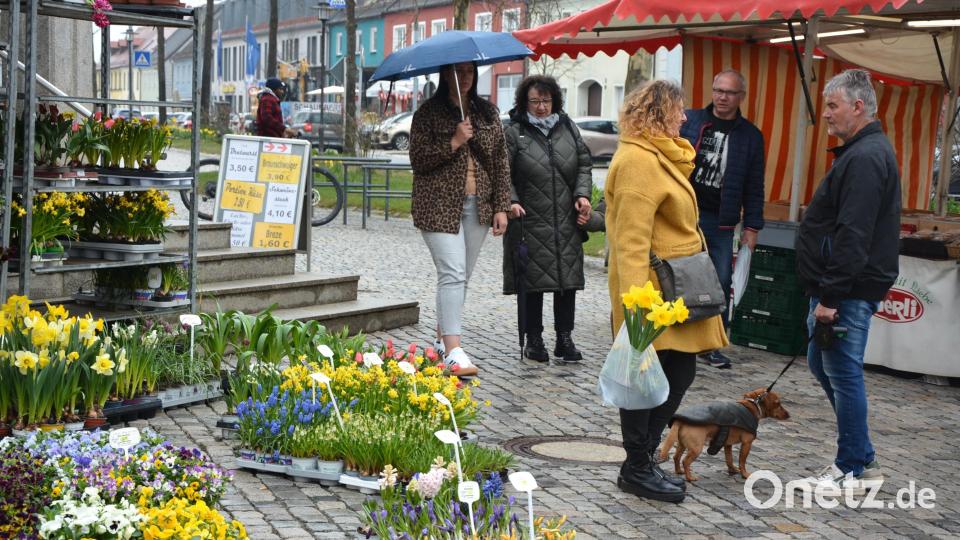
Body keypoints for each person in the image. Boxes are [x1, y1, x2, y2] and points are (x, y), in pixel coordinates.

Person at [606, 80, 728, 503]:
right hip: (654, 298)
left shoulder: (663, 157)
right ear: (658, 113)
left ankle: (639, 461)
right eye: (678, 111)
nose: (684, 118)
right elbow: (630, 244)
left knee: (678, 374)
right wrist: (637, 311)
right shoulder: (639, 161)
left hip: (678, 293)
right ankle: (637, 465)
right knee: (645, 381)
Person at [796, 69, 899, 494]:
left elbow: (853, 233)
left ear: (858, 107)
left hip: (847, 290)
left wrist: (831, 297)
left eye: (833, 105)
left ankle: (854, 468)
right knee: (824, 364)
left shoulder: (865, 157)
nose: (827, 114)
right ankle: (862, 459)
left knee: (842, 371)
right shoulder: (861, 152)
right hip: (840, 286)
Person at [409, 61, 511, 376]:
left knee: (460, 276)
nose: (465, 77)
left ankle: (442, 339)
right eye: (458, 71)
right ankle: (454, 350)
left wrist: (501, 206)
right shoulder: (428, 113)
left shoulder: (487, 113)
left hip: (478, 204)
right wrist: (453, 141)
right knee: (452, 272)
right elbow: (418, 160)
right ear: (443, 73)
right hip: (437, 204)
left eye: (470, 72)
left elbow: (500, 160)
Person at [502, 75, 593, 363]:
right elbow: (502, 172)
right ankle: (534, 339)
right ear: (524, 102)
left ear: (554, 100)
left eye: (546, 100)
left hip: (565, 218)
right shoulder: (514, 131)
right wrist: (512, 201)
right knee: (533, 281)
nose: (541, 107)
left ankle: (564, 338)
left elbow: (584, 164)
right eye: (535, 101)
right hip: (529, 219)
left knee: (566, 280)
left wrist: (582, 194)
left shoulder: (567, 127)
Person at [680, 69, 766, 368]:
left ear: (740, 96)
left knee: (720, 280)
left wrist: (752, 227)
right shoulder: (688, 121)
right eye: (718, 90)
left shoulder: (750, 136)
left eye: (729, 92)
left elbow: (755, 185)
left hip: (720, 219)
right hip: (683, 213)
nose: (722, 97)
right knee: (678, 275)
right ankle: (674, 338)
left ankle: (711, 344)